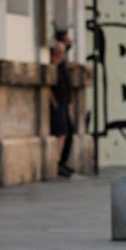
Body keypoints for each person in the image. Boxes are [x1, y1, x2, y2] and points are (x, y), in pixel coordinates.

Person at [49, 42, 75, 178]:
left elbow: (70, 64)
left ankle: (62, 162)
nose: (63, 54)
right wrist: (53, 101)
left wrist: (82, 66)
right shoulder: (53, 65)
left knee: (68, 131)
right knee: (61, 133)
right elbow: (48, 85)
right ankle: (58, 162)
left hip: (64, 102)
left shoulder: (61, 64)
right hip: (58, 104)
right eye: (62, 51)